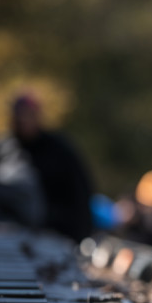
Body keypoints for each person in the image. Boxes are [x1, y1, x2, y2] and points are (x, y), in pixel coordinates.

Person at [9, 93, 93, 242]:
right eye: (19, 115)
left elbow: (81, 192)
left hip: (58, 233)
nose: (23, 120)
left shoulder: (60, 150)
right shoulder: (5, 149)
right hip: (15, 232)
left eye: (28, 115)